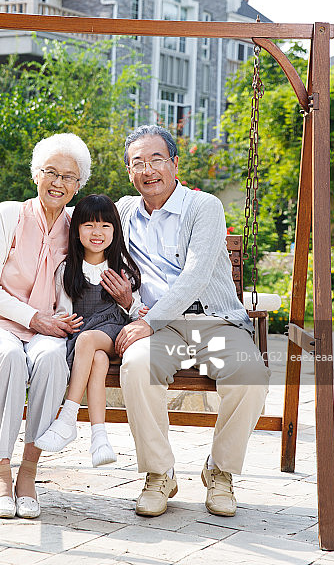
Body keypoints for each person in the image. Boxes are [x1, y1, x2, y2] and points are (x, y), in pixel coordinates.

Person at [103, 125, 270, 519]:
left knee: (250, 376)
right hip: (158, 326)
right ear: (129, 171)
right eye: (138, 163)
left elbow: (195, 275)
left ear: (175, 164)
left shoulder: (204, 207)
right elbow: (75, 220)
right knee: (137, 366)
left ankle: (221, 471)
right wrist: (9, 222)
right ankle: (159, 473)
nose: (148, 170)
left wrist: (149, 320)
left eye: (157, 160)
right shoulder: (124, 210)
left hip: (213, 322)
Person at [0, 133, 91, 519]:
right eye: (51, 172)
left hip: (45, 330)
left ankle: (29, 472)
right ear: (35, 174)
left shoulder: (76, 227)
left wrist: (60, 318)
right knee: (9, 358)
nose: (58, 182)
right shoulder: (7, 214)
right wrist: (34, 318)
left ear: (78, 185)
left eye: (69, 177)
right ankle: (1, 472)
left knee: (53, 358)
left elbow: (76, 279)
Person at [35, 194, 145, 467]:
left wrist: (130, 304)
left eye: (105, 226)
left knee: (89, 340)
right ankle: (100, 438)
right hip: (86, 340)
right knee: (95, 357)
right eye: (89, 225)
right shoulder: (67, 270)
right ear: (77, 230)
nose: (97, 232)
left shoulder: (123, 269)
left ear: (115, 231)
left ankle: (68, 416)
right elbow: (63, 310)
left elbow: (137, 311)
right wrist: (64, 321)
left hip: (115, 334)